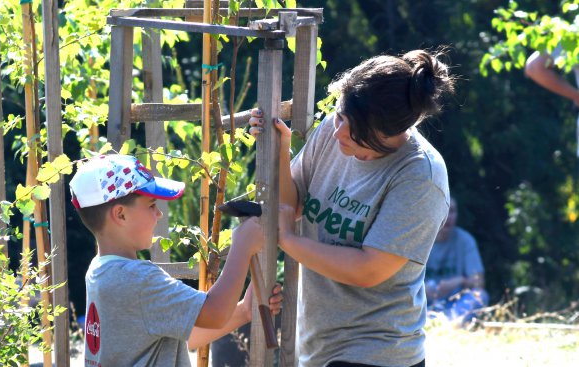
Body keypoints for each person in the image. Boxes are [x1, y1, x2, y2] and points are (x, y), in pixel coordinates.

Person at [250, 49, 455, 367]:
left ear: (390, 134)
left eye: (355, 130)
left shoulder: (421, 176)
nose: (339, 133)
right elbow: (293, 202)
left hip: (377, 352)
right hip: (320, 346)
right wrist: (279, 149)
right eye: (341, 116)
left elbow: (368, 269)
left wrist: (289, 240)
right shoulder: (337, 131)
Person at [69, 154, 282, 366]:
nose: (159, 214)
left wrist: (245, 310)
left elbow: (182, 333)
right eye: (152, 205)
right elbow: (215, 312)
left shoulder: (100, 271)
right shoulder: (138, 279)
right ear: (121, 215)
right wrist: (242, 247)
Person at [425, 197, 488, 323]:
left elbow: (479, 282)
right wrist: (422, 290)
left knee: (479, 295)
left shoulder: (465, 240)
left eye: (452, 211)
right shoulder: (419, 240)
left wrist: (459, 281)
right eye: (443, 210)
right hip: (424, 304)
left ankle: (449, 324)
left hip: (457, 304)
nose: (448, 216)